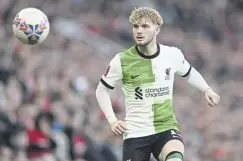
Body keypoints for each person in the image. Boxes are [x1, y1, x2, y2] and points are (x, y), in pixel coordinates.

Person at [95, 7, 220, 161]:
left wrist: (206, 89)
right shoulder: (121, 60)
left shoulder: (172, 54)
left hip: (165, 127)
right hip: (136, 132)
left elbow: (189, 72)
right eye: (136, 26)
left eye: (145, 26)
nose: (139, 31)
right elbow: (101, 90)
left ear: (157, 30)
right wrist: (112, 120)